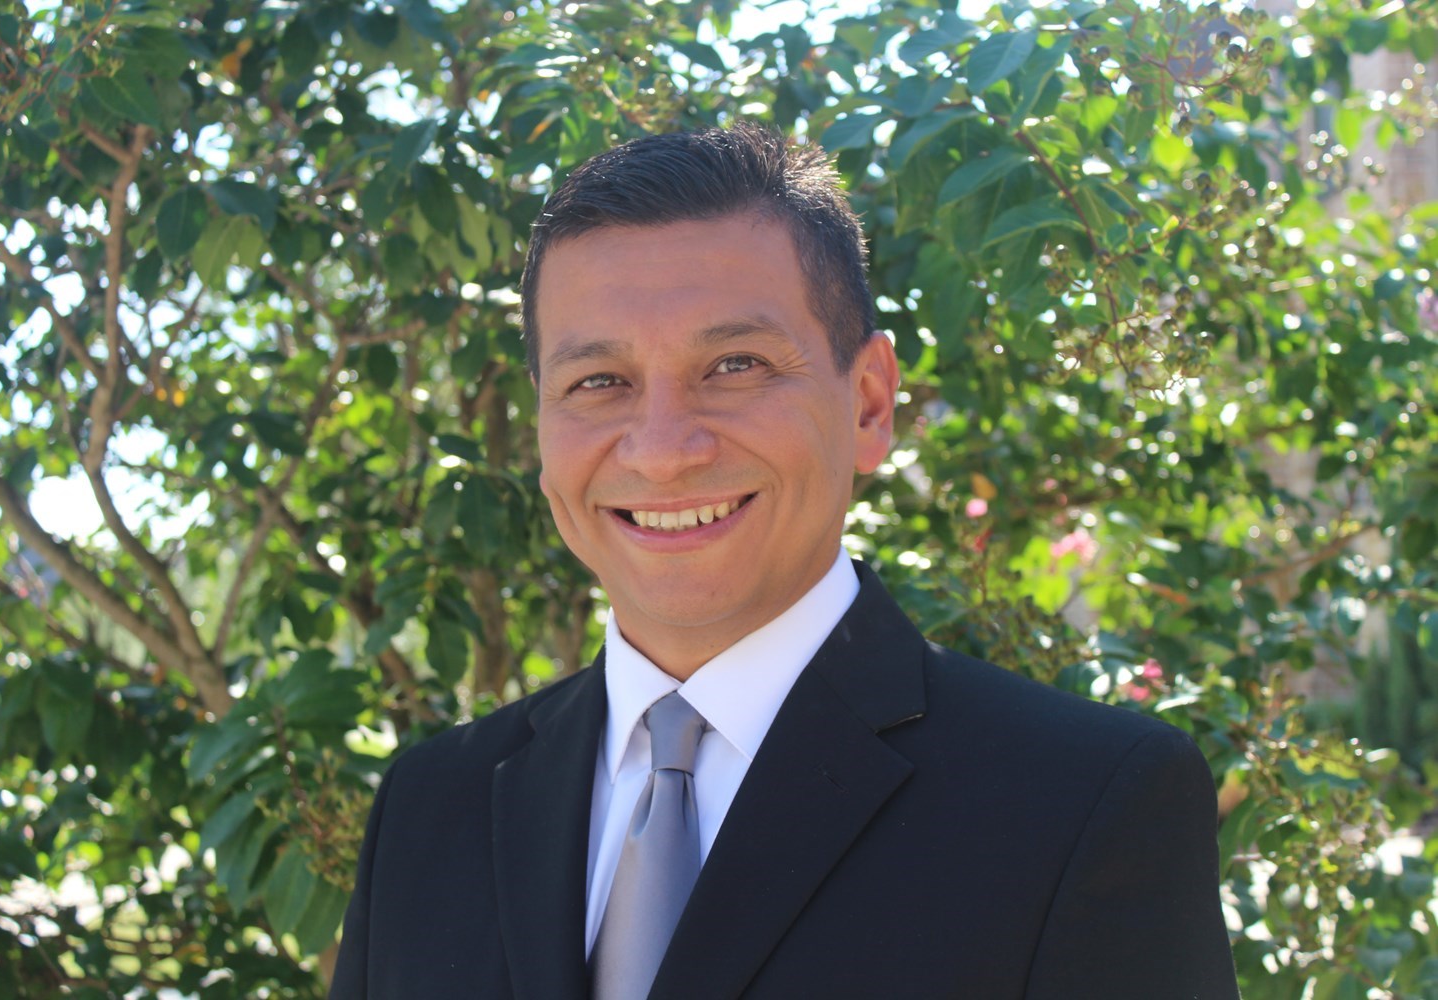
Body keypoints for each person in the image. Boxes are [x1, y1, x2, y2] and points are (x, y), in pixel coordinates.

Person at [329, 122, 1239, 999]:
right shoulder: (428, 807)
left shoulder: (1080, 803)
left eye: (735, 365)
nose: (662, 451)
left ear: (870, 403)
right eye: (598, 381)